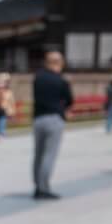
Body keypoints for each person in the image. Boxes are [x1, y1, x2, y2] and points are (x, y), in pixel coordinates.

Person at [32, 51, 73, 200]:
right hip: (54, 119)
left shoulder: (38, 78)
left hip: (38, 119)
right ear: (59, 63)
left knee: (38, 154)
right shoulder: (61, 80)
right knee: (49, 155)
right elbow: (69, 100)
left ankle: (37, 186)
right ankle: (44, 188)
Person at [0, 73, 16, 140]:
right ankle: (0, 133)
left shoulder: (8, 91)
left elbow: (11, 101)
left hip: (4, 108)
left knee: (2, 120)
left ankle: (0, 133)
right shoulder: (0, 89)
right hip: (0, 107)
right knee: (0, 120)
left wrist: (12, 110)